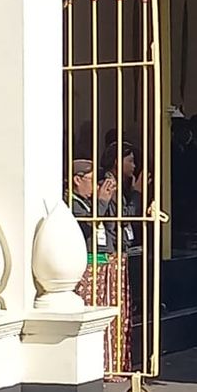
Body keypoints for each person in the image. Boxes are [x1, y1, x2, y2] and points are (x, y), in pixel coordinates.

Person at [70, 159, 129, 375]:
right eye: (92, 180)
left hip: (105, 262)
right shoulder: (71, 203)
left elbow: (111, 226)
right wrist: (101, 202)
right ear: (77, 180)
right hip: (87, 266)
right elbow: (86, 225)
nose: (96, 186)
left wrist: (110, 200)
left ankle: (112, 363)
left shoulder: (93, 201)